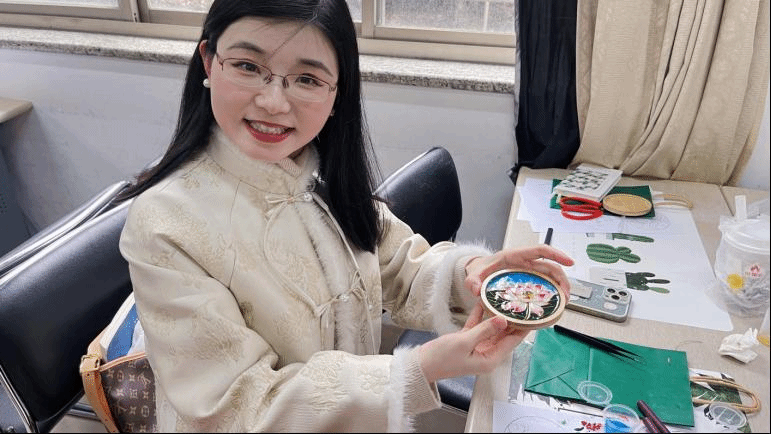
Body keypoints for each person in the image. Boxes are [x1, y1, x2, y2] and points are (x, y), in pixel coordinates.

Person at [116, 0, 575, 431]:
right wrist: (419, 368)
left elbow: (399, 265)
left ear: (338, 94)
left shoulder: (318, 171)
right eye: (248, 67)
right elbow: (237, 405)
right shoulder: (166, 223)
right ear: (208, 62)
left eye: (307, 79)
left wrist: (476, 274)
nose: (274, 102)